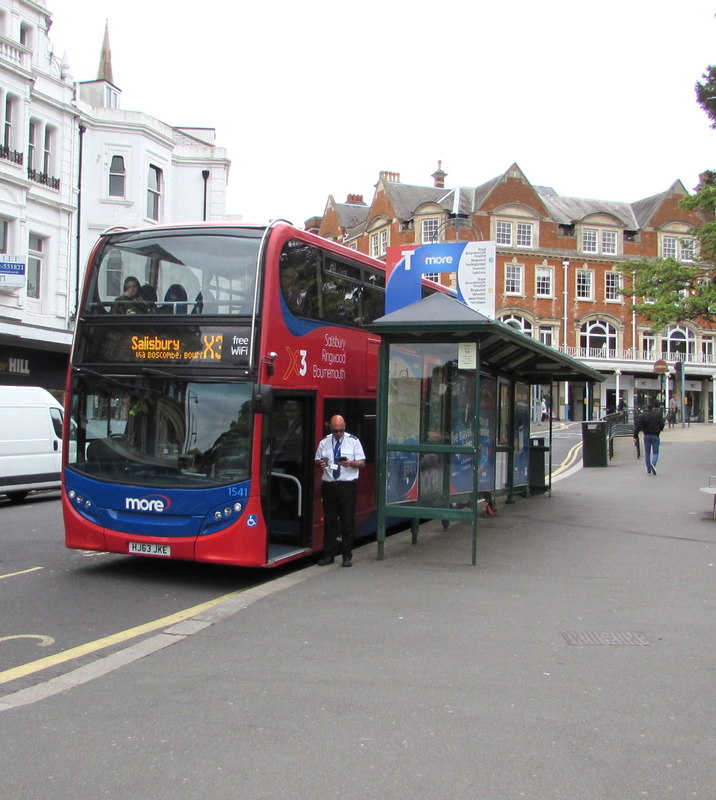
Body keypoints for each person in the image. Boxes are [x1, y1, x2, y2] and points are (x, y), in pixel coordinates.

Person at [315, 414, 366, 567]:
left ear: (344, 427)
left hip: (347, 486)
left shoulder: (353, 441)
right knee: (330, 521)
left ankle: (346, 555)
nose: (338, 433)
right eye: (335, 430)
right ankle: (328, 555)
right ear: (331, 428)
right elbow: (317, 459)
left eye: (340, 430)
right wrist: (321, 464)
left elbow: (362, 463)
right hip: (329, 485)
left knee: (347, 520)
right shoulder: (324, 442)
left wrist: (350, 463)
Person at [633, 403, 664, 476]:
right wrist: (660, 429)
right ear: (653, 408)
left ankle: (649, 470)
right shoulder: (658, 415)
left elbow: (638, 426)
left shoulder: (643, 416)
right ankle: (653, 463)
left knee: (647, 453)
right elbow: (662, 424)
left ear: (647, 408)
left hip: (646, 435)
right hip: (655, 435)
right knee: (655, 452)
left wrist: (635, 435)